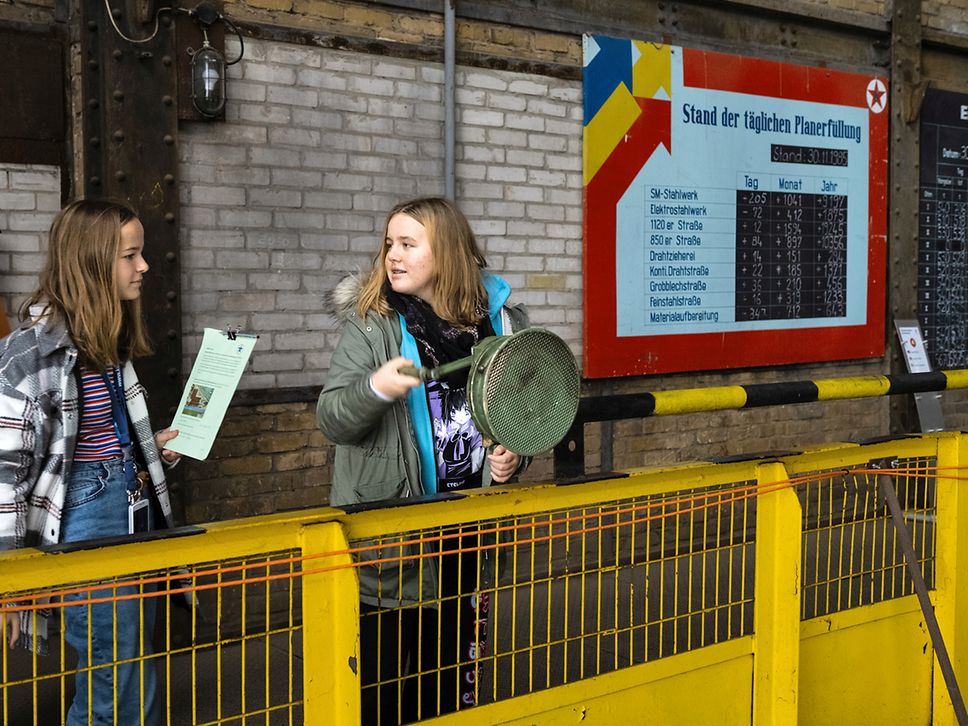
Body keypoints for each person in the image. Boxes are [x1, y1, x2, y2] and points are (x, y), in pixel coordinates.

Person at [317, 196, 529, 724]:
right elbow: (333, 420)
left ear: (449, 252)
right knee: (379, 696)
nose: (393, 255)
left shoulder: (500, 324)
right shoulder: (374, 326)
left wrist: (510, 458)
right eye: (390, 243)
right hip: (392, 542)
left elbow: (524, 408)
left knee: (446, 690)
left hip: (465, 536)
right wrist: (376, 388)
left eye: (409, 244)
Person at [0, 199, 180, 725]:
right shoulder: (26, 358)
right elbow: (4, 476)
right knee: (113, 679)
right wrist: (12, 578)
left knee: (129, 671)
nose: (144, 266)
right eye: (131, 255)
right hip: (88, 525)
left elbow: (102, 440)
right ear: (93, 264)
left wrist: (150, 446)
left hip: (133, 511)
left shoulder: (109, 346)